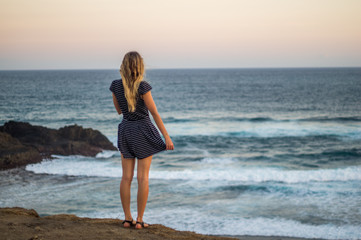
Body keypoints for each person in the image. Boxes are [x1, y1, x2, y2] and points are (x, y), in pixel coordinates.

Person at [109, 51, 174, 229]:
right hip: (142, 129)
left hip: (125, 130)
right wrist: (166, 136)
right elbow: (154, 113)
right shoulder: (143, 87)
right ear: (139, 66)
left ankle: (127, 218)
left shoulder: (115, 85)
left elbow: (119, 111)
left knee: (126, 178)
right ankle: (139, 220)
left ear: (123, 65)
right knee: (143, 178)